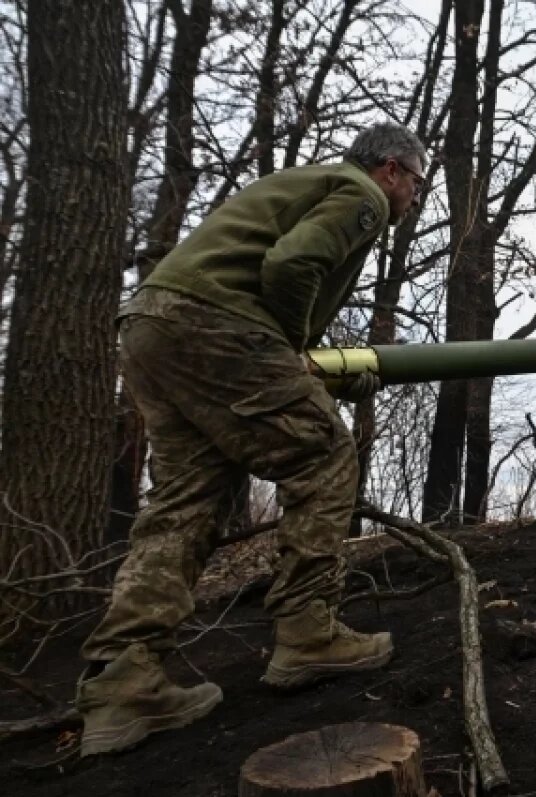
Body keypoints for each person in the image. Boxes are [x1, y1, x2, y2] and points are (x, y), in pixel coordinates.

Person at [75, 123, 429, 756]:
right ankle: (306, 632)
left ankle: (123, 681)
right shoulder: (361, 195)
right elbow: (291, 265)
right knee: (323, 455)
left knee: (187, 500)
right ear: (393, 170)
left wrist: (318, 361)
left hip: (153, 324)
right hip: (214, 322)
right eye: (417, 184)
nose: (415, 199)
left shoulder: (307, 183)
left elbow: (277, 284)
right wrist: (290, 353)